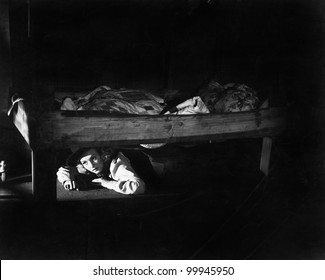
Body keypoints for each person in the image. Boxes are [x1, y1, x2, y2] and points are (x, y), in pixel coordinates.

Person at [56, 147, 145, 195]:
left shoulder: (116, 163)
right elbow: (62, 170)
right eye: (85, 162)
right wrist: (67, 180)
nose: (91, 165)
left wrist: (107, 183)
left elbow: (138, 187)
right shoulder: (85, 167)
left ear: (103, 155)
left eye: (94, 158)